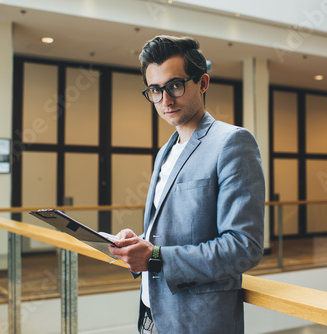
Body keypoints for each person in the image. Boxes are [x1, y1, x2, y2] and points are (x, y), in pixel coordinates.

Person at [109, 35, 265, 334]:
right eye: (155, 90)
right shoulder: (165, 151)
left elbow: (244, 247)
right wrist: (139, 243)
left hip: (197, 321)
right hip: (152, 313)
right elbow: (178, 230)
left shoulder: (232, 142)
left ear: (203, 82)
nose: (165, 100)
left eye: (175, 86)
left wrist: (154, 256)